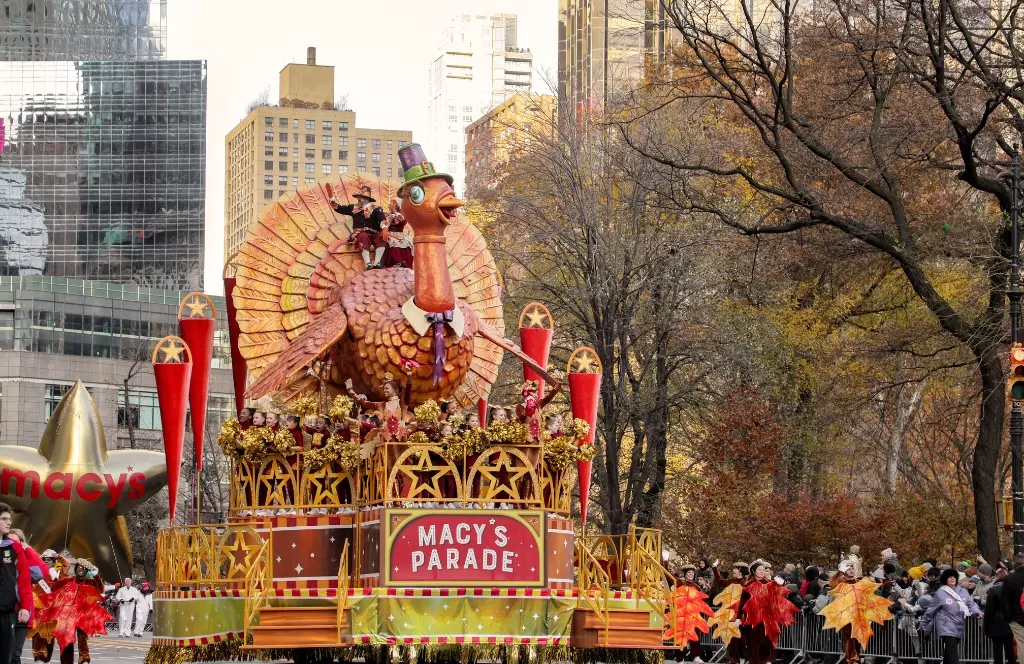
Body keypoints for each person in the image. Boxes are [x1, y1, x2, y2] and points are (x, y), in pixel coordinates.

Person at [34, 558, 110, 664]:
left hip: (83, 615)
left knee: (82, 638)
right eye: (79, 568)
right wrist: (54, 576)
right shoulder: (68, 580)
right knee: (66, 640)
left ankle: (84, 659)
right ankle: (66, 662)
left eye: (83, 569)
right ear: (75, 569)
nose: (81, 570)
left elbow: (100, 590)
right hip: (67, 615)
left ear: (86, 571)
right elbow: (53, 587)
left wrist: (96, 576)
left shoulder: (89, 582)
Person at [921, 568, 982, 664]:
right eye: (949, 577)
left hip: (959, 625)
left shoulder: (963, 591)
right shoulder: (940, 593)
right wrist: (924, 624)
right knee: (952, 651)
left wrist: (977, 612)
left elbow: (971, 604)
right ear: (945, 579)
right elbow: (931, 610)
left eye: (954, 576)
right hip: (946, 627)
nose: (952, 578)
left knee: (949, 654)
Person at [0, 504, 34, 664]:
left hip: (7, 612)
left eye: (9, 519)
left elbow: (24, 581)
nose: (9, 522)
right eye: (4, 519)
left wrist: (25, 607)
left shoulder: (14, 548)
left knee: (6, 656)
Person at [328, 184, 387, 269]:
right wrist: (332, 200)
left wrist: (384, 228)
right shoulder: (353, 208)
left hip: (374, 233)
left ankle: (377, 262)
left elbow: (382, 219)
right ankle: (368, 264)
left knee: (381, 237)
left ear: (367, 198)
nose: (358, 199)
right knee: (363, 236)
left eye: (361, 197)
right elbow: (339, 208)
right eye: (358, 197)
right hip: (360, 234)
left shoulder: (376, 208)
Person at [5, 528, 42, 664]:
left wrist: (29, 551)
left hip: (22, 613)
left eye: (16, 542)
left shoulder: (25, 558)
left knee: (15, 654)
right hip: (5, 611)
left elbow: (39, 575)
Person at [985, 572, 1017, 664]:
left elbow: (989, 611)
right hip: (1009, 622)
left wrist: (987, 628)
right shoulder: (1012, 590)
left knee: (997, 649)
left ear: (996, 578)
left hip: (996, 623)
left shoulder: (993, 590)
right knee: (1009, 648)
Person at [1001, 553, 1024, 654]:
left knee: (1022, 645)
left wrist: (1008, 618)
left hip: (1017, 618)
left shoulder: (1009, 579)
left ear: (1015, 563)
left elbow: (1005, 600)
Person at [381, 199, 413, 268]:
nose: (390, 205)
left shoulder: (401, 215)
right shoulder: (387, 215)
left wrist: (395, 212)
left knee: (406, 242)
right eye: (390, 204)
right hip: (391, 234)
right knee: (393, 241)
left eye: (392, 204)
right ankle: (397, 261)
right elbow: (385, 224)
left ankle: (407, 263)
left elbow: (402, 221)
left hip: (400, 234)